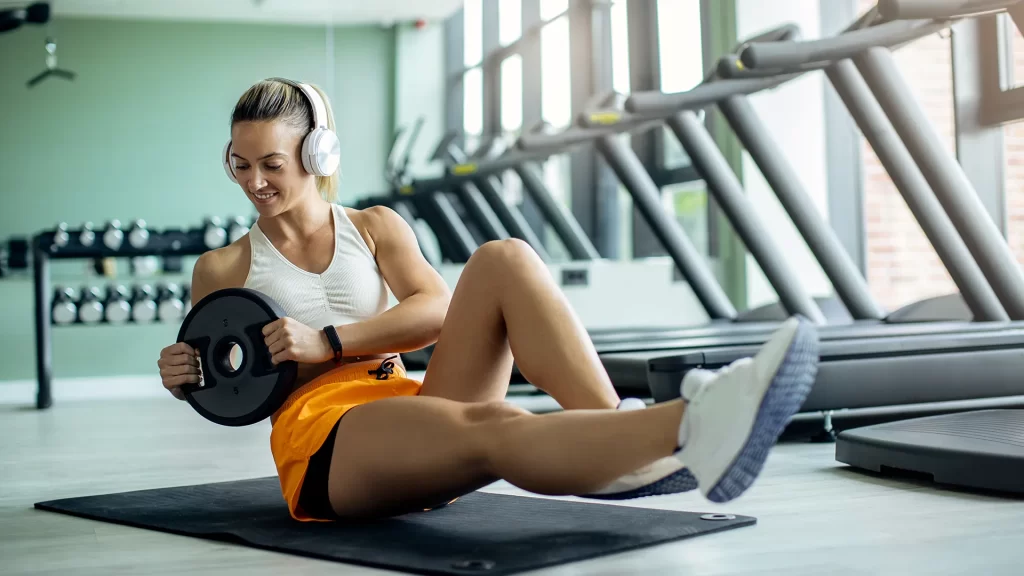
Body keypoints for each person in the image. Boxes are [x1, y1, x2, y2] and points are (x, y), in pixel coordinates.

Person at [156, 78, 819, 522]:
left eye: (272, 163)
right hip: (328, 441)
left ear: (316, 152)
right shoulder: (225, 266)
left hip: (406, 399)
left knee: (504, 258)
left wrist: (327, 341)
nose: (256, 181)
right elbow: (220, 382)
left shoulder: (374, 227)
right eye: (241, 164)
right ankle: (695, 421)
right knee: (496, 422)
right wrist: (184, 378)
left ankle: (622, 443)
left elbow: (435, 310)